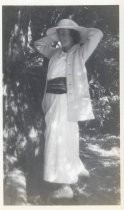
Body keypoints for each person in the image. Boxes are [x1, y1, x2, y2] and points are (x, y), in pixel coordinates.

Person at [34, 19, 103, 198]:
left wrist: (81, 33)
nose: (63, 36)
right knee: (67, 136)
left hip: (66, 100)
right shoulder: (55, 53)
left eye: (67, 33)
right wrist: (54, 37)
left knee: (58, 137)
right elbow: (38, 44)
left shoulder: (79, 52)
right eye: (61, 33)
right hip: (51, 99)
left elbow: (97, 35)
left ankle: (64, 185)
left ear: (73, 36)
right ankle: (76, 167)